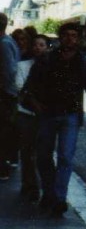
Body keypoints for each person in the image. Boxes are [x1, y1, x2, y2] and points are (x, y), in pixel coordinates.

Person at [23, 21, 86, 217]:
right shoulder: (46, 60)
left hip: (71, 115)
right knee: (43, 156)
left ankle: (59, 198)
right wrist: (36, 105)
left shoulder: (84, 63)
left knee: (65, 157)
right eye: (66, 35)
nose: (70, 39)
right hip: (48, 115)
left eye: (74, 36)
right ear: (60, 38)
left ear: (78, 39)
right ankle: (49, 193)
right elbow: (29, 88)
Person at [15, 34, 49, 201]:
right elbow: (19, 86)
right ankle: (29, 185)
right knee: (27, 151)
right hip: (26, 114)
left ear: (47, 48)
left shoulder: (52, 67)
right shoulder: (22, 66)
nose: (38, 48)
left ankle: (43, 187)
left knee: (43, 153)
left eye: (42, 45)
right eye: (35, 44)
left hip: (45, 116)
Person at [0, 14, 19, 181]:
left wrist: (4, 90)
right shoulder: (8, 41)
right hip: (9, 94)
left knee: (3, 132)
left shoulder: (4, 44)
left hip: (5, 95)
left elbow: (9, 71)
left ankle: (3, 168)